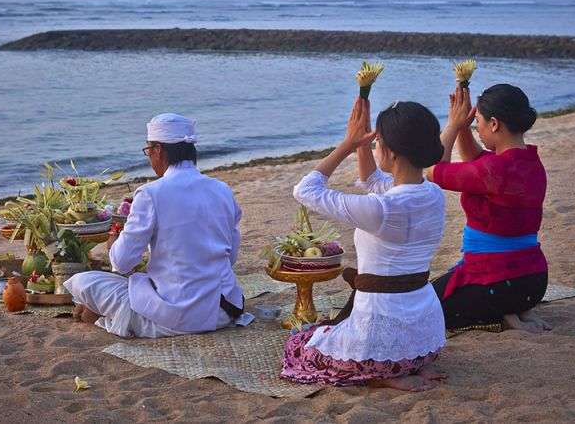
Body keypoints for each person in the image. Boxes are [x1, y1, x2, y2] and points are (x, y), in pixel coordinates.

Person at [280, 98, 447, 392]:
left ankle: (382, 373)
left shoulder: (383, 209)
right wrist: (362, 142)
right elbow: (373, 179)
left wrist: (346, 144)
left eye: (378, 141)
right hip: (425, 336)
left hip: (380, 335)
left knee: (299, 345)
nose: (375, 146)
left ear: (391, 152)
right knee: (324, 331)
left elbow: (304, 190)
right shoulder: (432, 194)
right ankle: (406, 364)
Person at [65, 113, 244, 338]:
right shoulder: (222, 190)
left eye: (148, 151)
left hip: (179, 316)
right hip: (223, 311)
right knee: (137, 285)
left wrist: (113, 245)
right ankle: (102, 313)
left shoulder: (151, 194)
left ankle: (106, 315)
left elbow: (122, 263)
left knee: (83, 281)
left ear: (158, 150)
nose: (149, 159)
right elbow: (231, 257)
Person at [427, 84, 552, 333]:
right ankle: (514, 311)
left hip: (499, 285)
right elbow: (475, 158)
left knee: (422, 308)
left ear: (494, 124)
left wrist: (452, 124)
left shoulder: (494, 171)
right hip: (534, 283)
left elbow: (432, 170)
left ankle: (502, 314)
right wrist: (463, 126)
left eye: (479, 124)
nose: (478, 130)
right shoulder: (530, 162)